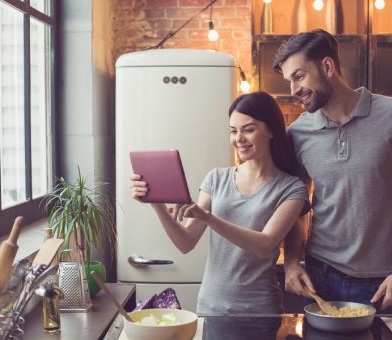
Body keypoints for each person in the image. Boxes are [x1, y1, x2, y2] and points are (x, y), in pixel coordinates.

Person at [272, 29, 392, 311]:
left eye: (299, 76)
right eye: (289, 80)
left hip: (382, 283)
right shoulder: (299, 132)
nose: (293, 90)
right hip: (320, 279)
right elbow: (297, 208)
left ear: (327, 67)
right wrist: (291, 263)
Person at [130, 91, 309, 314]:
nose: (238, 139)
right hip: (210, 306)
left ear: (271, 130)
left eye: (249, 129)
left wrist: (208, 217)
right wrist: (155, 201)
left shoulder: (291, 188)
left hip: (259, 310)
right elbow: (185, 242)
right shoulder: (217, 178)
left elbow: (264, 245)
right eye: (233, 131)